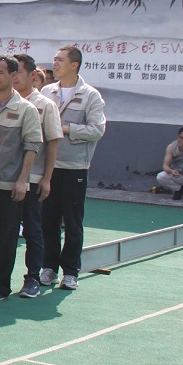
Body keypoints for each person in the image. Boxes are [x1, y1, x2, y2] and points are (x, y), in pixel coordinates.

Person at [40, 45, 107, 291]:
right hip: (49, 165)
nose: (55, 64)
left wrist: (65, 129)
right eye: (54, 59)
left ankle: (70, 272)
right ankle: (49, 268)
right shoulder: (47, 91)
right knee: (48, 219)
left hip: (75, 166)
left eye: (60, 60)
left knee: (72, 220)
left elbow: (97, 130)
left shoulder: (90, 95)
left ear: (74, 65)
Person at [0, 55, 42, 302]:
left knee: (6, 239)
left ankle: (1, 286)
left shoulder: (26, 109)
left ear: (13, 75)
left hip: (9, 186)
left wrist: (22, 181)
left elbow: (32, 146)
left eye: (1, 72)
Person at [11, 53, 60, 299]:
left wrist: (47, 178)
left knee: (32, 229)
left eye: (18, 71)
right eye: (11, 72)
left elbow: (52, 143)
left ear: (32, 75)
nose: (14, 77)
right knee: (5, 231)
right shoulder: (0, 102)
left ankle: (32, 277)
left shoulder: (45, 105)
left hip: (32, 178)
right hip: (5, 179)